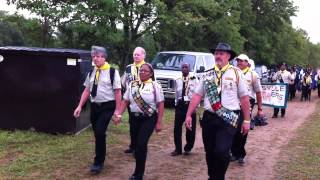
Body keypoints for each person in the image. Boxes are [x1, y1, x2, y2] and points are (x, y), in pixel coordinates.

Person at [185, 43, 251, 180]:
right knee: (209, 151)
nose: (218, 56)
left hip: (229, 118)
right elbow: (197, 95)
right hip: (209, 118)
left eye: (221, 53)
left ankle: (218, 177)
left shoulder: (236, 73)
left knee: (222, 151)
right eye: (216, 53)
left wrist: (246, 120)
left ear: (228, 56)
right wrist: (188, 114)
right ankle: (212, 176)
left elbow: (244, 98)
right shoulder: (207, 74)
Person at [73, 46, 122, 174]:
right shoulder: (92, 72)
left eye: (98, 56)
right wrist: (79, 106)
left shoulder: (112, 72)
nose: (95, 58)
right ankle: (100, 153)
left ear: (104, 57)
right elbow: (87, 90)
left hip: (107, 106)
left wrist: (117, 111)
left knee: (100, 132)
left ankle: (98, 162)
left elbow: (117, 92)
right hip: (94, 106)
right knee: (98, 134)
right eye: (93, 56)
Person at [114, 63, 164, 180]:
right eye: (141, 70)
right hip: (134, 118)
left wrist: (159, 122)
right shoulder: (132, 84)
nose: (142, 72)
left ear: (151, 74)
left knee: (142, 144)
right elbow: (125, 100)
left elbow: (160, 104)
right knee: (136, 146)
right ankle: (138, 169)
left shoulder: (155, 86)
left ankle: (138, 173)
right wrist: (119, 114)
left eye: (145, 71)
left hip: (149, 119)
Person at [231, 54, 264, 165]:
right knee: (233, 128)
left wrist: (260, 108)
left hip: (247, 103)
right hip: (234, 103)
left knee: (243, 128)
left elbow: (258, 92)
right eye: (238, 61)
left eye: (241, 61)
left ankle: (240, 154)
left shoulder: (253, 75)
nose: (239, 62)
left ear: (247, 63)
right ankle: (234, 152)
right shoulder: (233, 72)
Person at [121, 47, 147, 154]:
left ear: (143, 56)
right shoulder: (128, 68)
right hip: (131, 99)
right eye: (134, 54)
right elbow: (124, 82)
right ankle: (133, 146)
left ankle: (140, 147)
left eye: (138, 54)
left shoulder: (147, 67)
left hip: (143, 99)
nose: (136, 56)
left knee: (142, 123)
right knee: (132, 123)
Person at [171, 63, 198, 156]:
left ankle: (188, 147)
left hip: (190, 106)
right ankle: (177, 149)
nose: (184, 68)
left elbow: (197, 94)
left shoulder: (194, 79)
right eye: (183, 67)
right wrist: (176, 103)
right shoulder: (178, 80)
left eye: (186, 67)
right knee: (177, 128)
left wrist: (195, 107)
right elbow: (176, 93)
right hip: (180, 106)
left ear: (189, 69)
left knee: (190, 128)